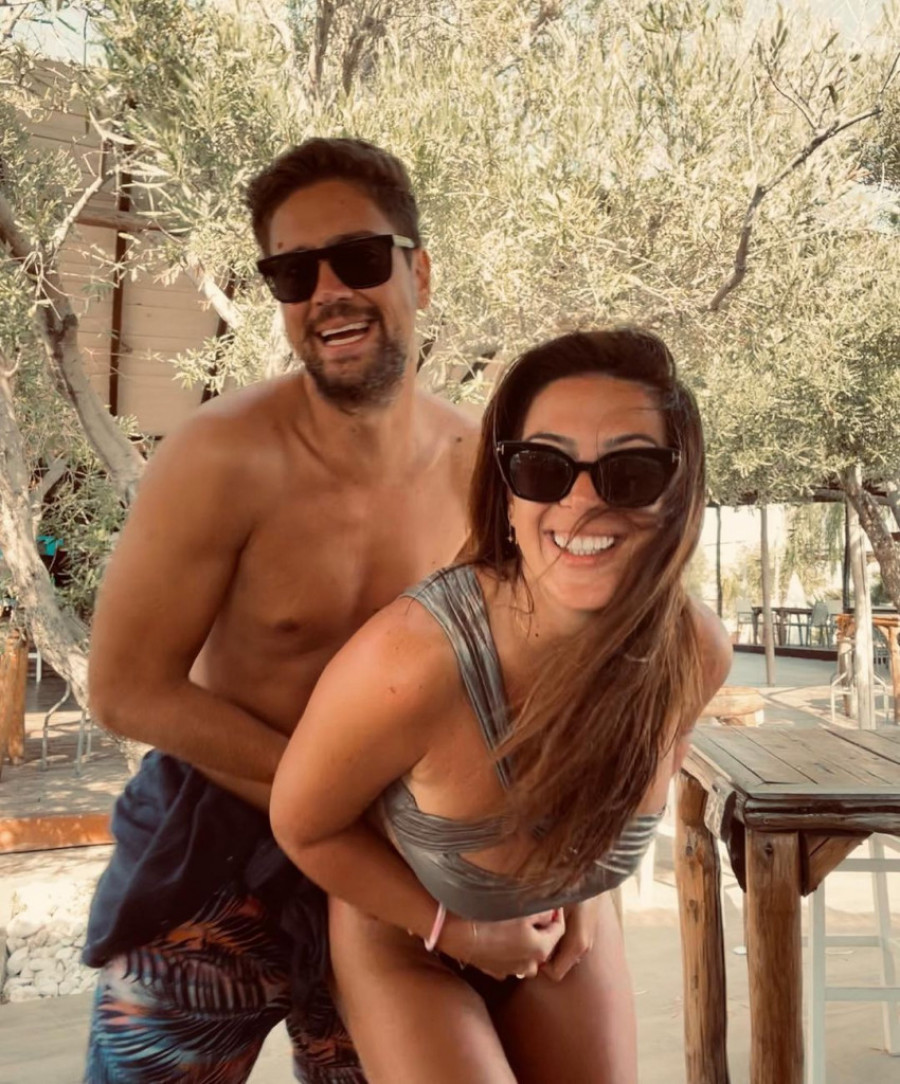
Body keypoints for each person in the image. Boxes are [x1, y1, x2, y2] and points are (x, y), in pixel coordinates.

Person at [81, 137, 563, 1084]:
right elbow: (126, 689)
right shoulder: (220, 457)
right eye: (294, 273)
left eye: (361, 258)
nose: (328, 293)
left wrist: (561, 864)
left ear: (420, 272)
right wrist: (331, 794)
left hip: (393, 871)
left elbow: (527, 681)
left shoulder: (483, 471)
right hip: (215, 849)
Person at [270, 327, 733, 1084]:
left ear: (677, 491)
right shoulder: (415, 661)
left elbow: (622, 785)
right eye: (544, 467)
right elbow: (303, 824)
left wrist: (584, 885)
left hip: (557, 922)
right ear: (508, 494)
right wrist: (456, 931)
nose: (582, 501)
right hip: (405, 931)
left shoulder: (693, 653)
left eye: (631, 471)